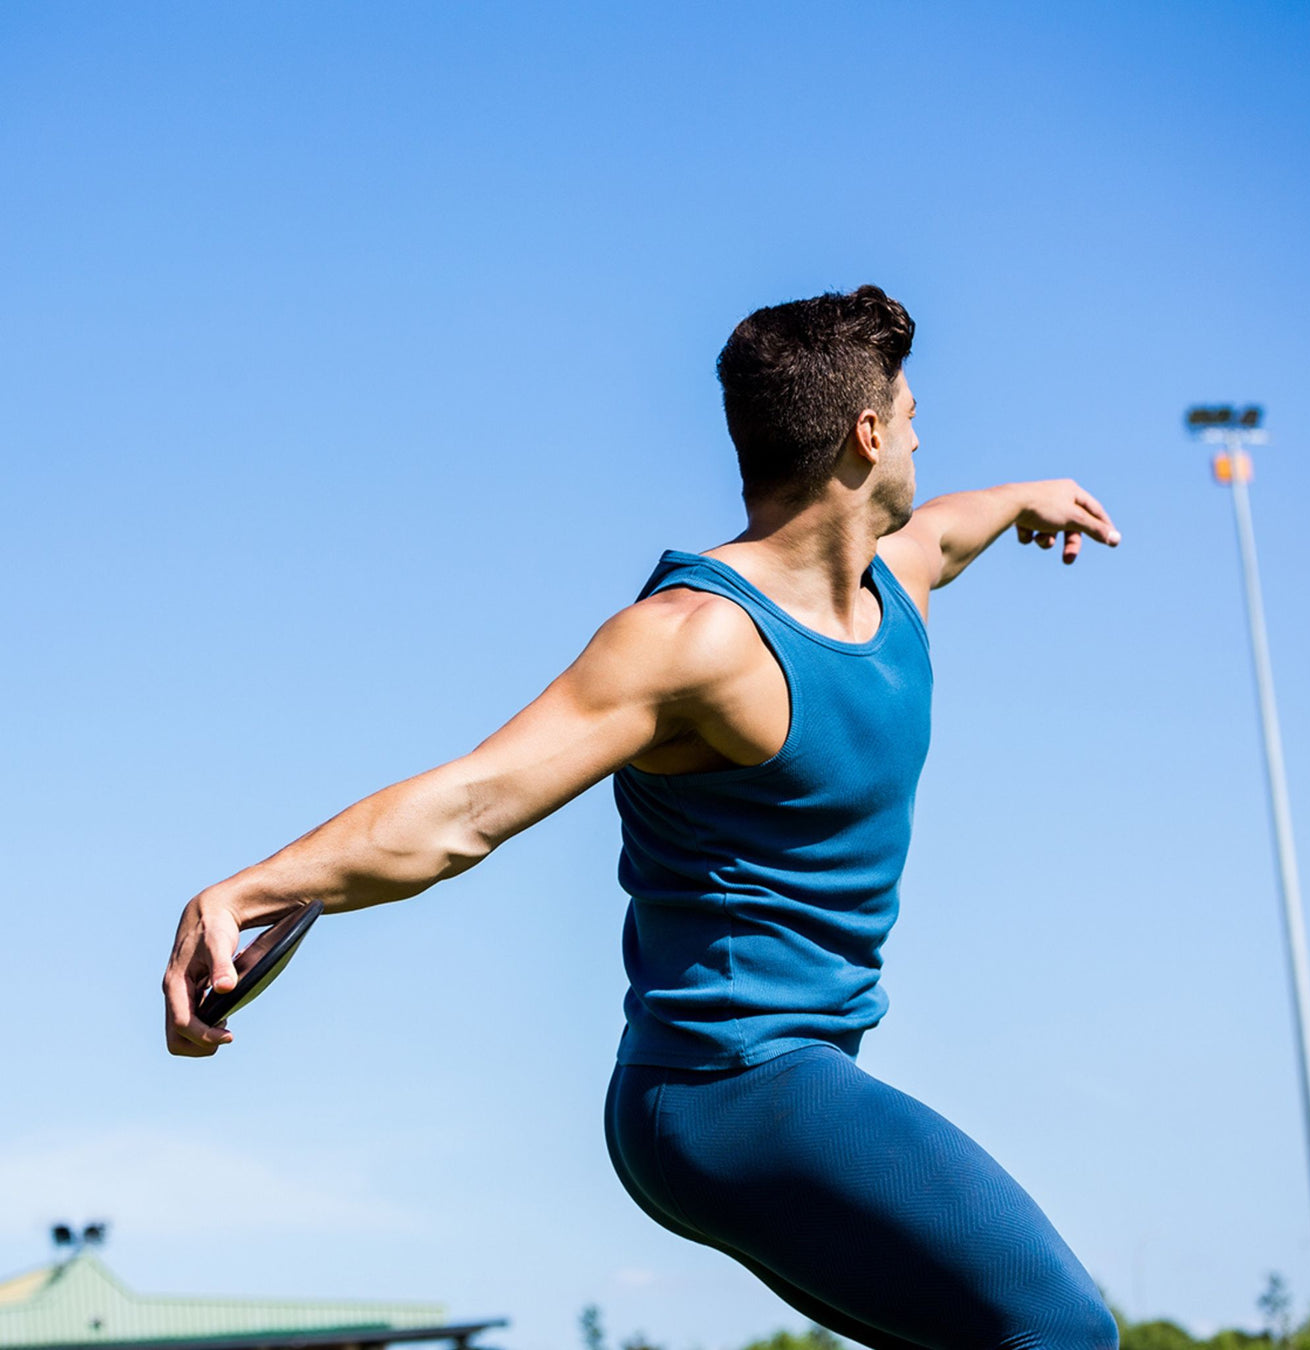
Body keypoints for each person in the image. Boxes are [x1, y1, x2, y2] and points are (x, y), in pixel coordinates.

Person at [164, 285, 1122, 1350]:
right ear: (866, 435)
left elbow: (957, 523)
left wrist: (1034, 498)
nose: (918, 440)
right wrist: (244, 892)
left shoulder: (897, 577)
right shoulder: (696, 641)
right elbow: (468, 807)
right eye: (908, 417)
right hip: (724, 1086)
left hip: (794, 1078)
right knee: (1063, 1328)